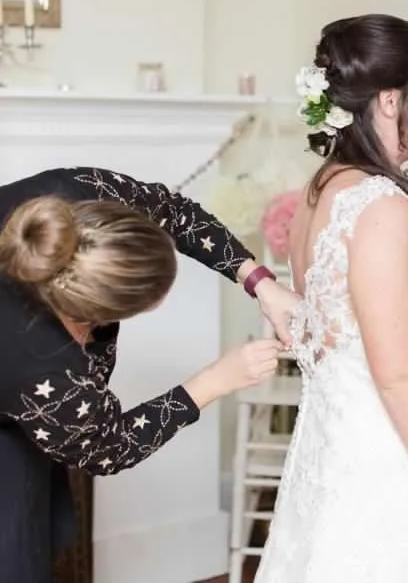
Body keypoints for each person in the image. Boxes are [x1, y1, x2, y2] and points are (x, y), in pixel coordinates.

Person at [253, 14, 408, 583]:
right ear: (390, 100)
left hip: (330, 453)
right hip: (385, 465)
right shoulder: (379, 202)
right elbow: (400, 374)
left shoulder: (321, 190)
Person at [0, 165, 298, 583]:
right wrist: (215, 379)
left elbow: (174, 212)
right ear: (95, 316)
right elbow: (108, 447)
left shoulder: (83, 196)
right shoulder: (44, 364)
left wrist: (262, 283)